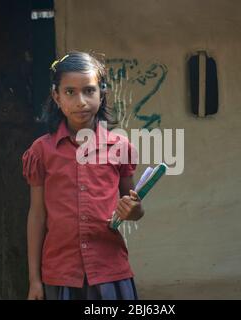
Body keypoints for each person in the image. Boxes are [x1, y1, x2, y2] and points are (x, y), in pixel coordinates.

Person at [22, 51, 144, 300]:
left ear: (101, 94)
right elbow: (37, 215)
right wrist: (34, 280)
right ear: (56, 96)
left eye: (89, 90)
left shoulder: (119, 148)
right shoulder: (41, 151)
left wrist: (134, 210)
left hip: (110, 270)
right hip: (61, 272)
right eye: (70, 92)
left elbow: (134, 206)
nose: (81, 101)